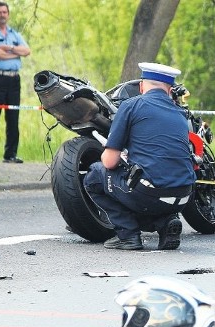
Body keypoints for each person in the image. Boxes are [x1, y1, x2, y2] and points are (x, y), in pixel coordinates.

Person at [83, 62, 196, 251]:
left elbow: (110, 162)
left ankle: (128, 235)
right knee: (151, 180)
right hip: (184, 196)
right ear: (169, 90)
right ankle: (165, 222)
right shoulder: (181, 113)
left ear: (142, 86)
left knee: (95, 175)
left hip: (149, 194)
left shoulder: (131, 106)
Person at [0, 1, 30, 163]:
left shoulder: (14, 34)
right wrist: (16, 53)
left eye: (4, 12)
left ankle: (10, 155)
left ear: (8, 14)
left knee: (13, 118)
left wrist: (8, 48)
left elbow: (27, 51)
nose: (2, 15)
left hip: (14, 80)